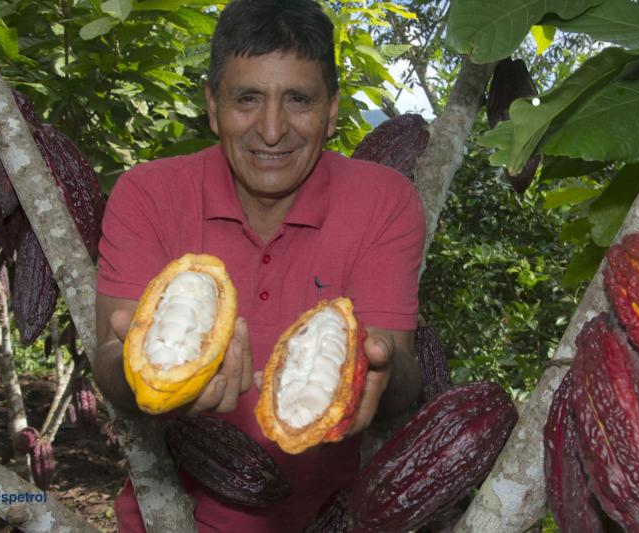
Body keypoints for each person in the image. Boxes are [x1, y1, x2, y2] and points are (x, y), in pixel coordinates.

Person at [92, 0, 425, 531]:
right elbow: (109, 358)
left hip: (329, 520)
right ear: (212, 106)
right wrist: (140, 376)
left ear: (333, 110)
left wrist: (378, 372)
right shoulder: (147, 194)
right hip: (165, 520)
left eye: (298, 100)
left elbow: (399, 364)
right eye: (247, 99)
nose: (272, 130)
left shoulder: (385, 202)